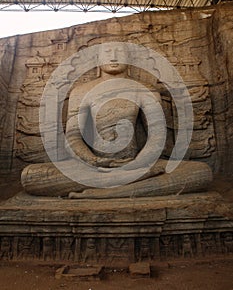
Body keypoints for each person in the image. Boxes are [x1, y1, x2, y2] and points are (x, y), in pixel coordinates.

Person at [21, 43, 212, 198]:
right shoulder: (81, 91)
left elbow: (157, 135)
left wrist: (137, 164)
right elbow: (72, 136)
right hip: (92, 168)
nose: (114, 56)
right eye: (108, 52)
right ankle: (128, 185)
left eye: (119, 52)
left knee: (200, 172)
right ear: (98, 60)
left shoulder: (143, 89)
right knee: (31, 176)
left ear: (129, 59)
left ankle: (105, 192)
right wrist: (94, 160)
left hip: (138, 163)